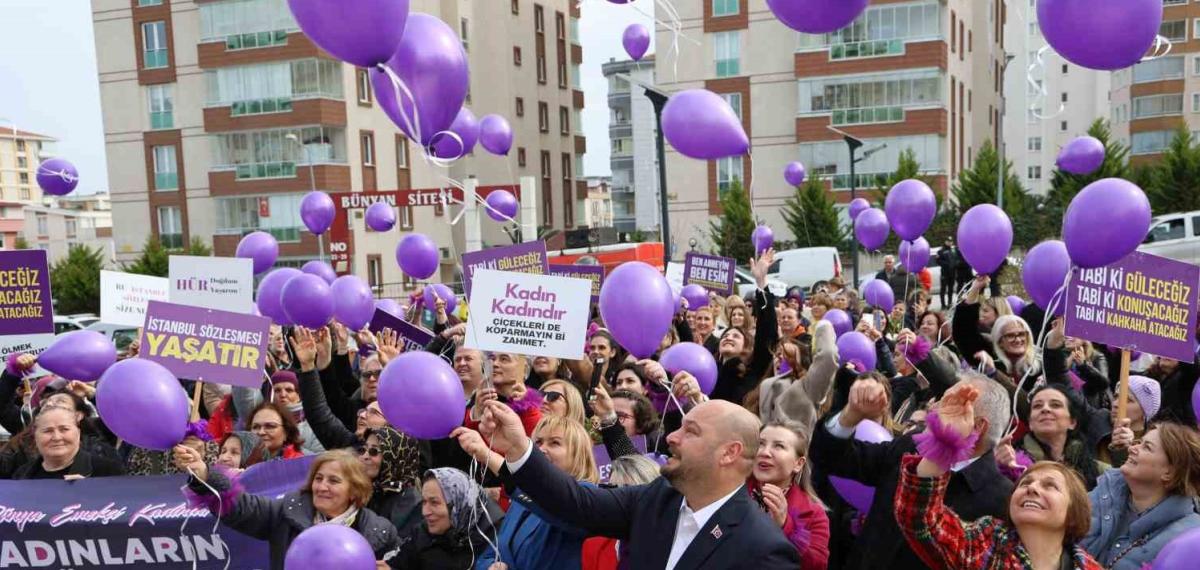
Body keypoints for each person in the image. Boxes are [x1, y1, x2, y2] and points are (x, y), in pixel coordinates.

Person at [456, 398, 801, 569]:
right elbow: (576, 501)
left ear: (729, 453)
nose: (672, 439)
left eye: (691, 431)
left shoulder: (764, 548)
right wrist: (519, 449)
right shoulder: (656, 500)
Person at [810, 373, 1015, 570]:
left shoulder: (1001, 501)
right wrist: (851, 415)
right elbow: (830, 457)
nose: (932, 407)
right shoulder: (911, 448)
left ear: (978, 427)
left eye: (948, 404)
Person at [894, 384, 1103, 570]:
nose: (1032, 488)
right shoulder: (986, 543)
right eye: (1025, 483)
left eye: (1050, 486)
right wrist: (946, 441)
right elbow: (921, 519)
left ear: (1074, 510)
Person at [177, 448, 398, 570]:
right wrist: (205, 474)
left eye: (333, 481)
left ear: (354, 491)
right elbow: (241, 508)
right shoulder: (287, 512)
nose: (322, 487)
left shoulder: (379, 533)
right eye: (318, 478)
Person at [457, 414, 598, 570]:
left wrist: (487, 454)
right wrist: (491, 566)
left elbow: (555, 507)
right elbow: (491, 552)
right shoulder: (520, 501)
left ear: (579, 454)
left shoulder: (587, 495)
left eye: (555, 443)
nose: (542, 449)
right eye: (538, 442)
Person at [1082, 423, 1200, 570]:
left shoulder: (1189, 537)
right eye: (1139, 443)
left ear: (1170, 472)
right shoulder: (1103, 492)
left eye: (1147, 447)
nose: (1132, 448)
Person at [385, 467, 506, 570]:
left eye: (434, 503)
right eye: (424, 502)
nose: (425, 512)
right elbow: (396, 564)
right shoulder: (422, 533)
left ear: (458, 503)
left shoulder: (494, 539)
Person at [748, 422, 830, 569]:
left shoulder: (814, 514)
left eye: (778, 446)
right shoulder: (732, 488)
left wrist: (786, 525)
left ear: (798, 464)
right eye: (760, 443)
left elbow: (817, 565)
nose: (764, 452)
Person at [1017, 385, 1106, 490]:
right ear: (1030, 423)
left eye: (1055, 405)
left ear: (1072, 422)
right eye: (1037, 406)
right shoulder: (1013, 463)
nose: (1045, 409)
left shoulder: (1098, 472)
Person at [581, 455, 662, 570]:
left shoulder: (670, 544)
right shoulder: (593, 546)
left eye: (628, 492)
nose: (617, 499)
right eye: (612, 490)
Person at [758, 320, 837, 433]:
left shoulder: (807, 387)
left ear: (802, 361)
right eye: (778, 354)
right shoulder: (761, 389)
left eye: (788, 355)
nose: (780, 358)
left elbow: (828, 355)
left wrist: (824, 326)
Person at [11, 406, 125, 479]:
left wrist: (91, 492)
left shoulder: (108, 471)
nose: (56, 437)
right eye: (48, 431)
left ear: (78, 432)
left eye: (64, 429)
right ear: (35, 436)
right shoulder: (22, 475)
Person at [361, 426, 425, 537]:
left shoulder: (412, 504)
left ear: (396, 457)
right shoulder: (369, 490)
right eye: (364, 449)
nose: (365, 456)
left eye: (374, 451)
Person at [243, 400, 307, 465]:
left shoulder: (300, 464)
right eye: (255, 427)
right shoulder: (237, 462)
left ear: (286, 433)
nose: (261, 432)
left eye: (270, 426)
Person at [936, 238, 959, 307]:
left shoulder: (953, 250)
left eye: (951, 241)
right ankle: (943, 304)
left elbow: (956, 259)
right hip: (944, 273)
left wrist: (956, 264)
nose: (949, 243)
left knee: (951, 289)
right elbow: (938, 261)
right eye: (948, 241)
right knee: (943, 289)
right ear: (945, 242)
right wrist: (946, 264)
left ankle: (950, 303)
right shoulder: (941, 251)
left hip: (952, 273)